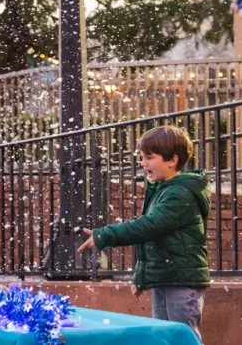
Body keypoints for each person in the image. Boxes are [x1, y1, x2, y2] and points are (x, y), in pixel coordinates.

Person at [77, 125, 211, 342]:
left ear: (172, 160)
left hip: (182, 281)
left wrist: (107, 235)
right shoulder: (163, 190)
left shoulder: (180, 194)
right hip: (166, 278)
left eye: (149, 157)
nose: (143, 163)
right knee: (163, 337)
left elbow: (149, 226)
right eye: (142, 157)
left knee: (182, 337)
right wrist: (141, 279)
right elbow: (151, 241)